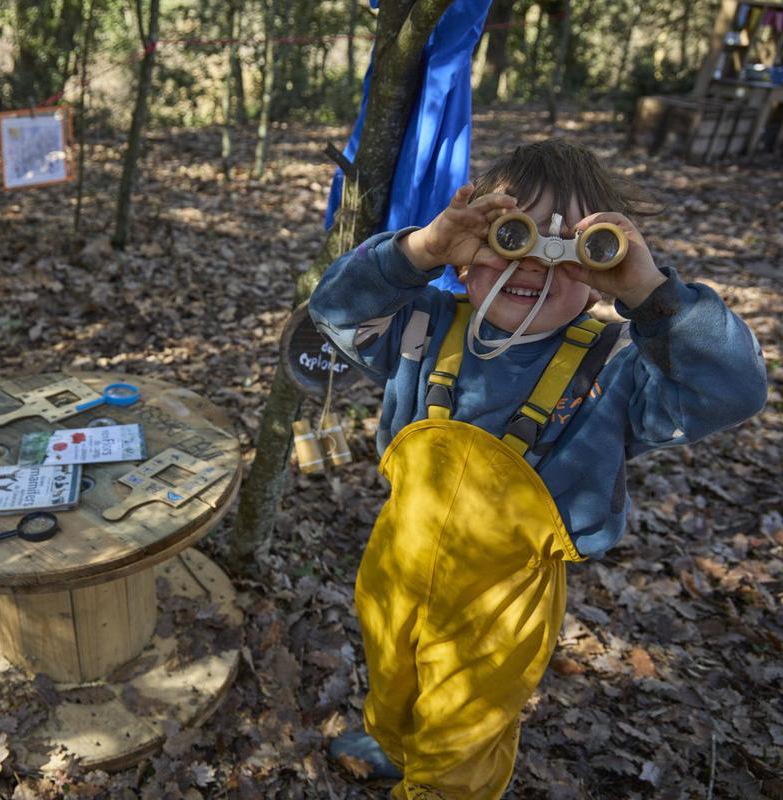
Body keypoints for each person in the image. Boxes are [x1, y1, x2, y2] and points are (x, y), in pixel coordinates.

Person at [308, 139, 767, 799]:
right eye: (512, 236)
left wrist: (651, 293)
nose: (535, 265)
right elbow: (332, 313)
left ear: (602, 264)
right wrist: (419, 251)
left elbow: (736, 389)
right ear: (467, 254)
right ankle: (390, 739)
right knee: (390, 667)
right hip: (397, 559)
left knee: (462, 731)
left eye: (574, 248)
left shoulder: (614, 371)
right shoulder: (423, 328)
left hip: (505, 603)